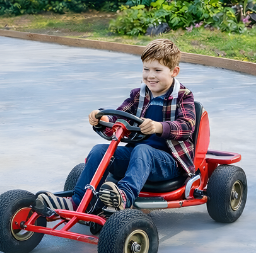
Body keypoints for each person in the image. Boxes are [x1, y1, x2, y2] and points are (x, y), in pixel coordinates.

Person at [34, 39, 196, 216]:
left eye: (157, 70)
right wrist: (104, 118)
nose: (150, 75)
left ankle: (124, 197)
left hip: (168, 163)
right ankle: (77, 202)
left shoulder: (183, 96)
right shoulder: (138, 95)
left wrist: (159, 127)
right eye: (146, 69)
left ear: (174, 71)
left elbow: (187, 126)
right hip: (137, 158)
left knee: (143, 149)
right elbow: (120, 115)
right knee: (99, 150)